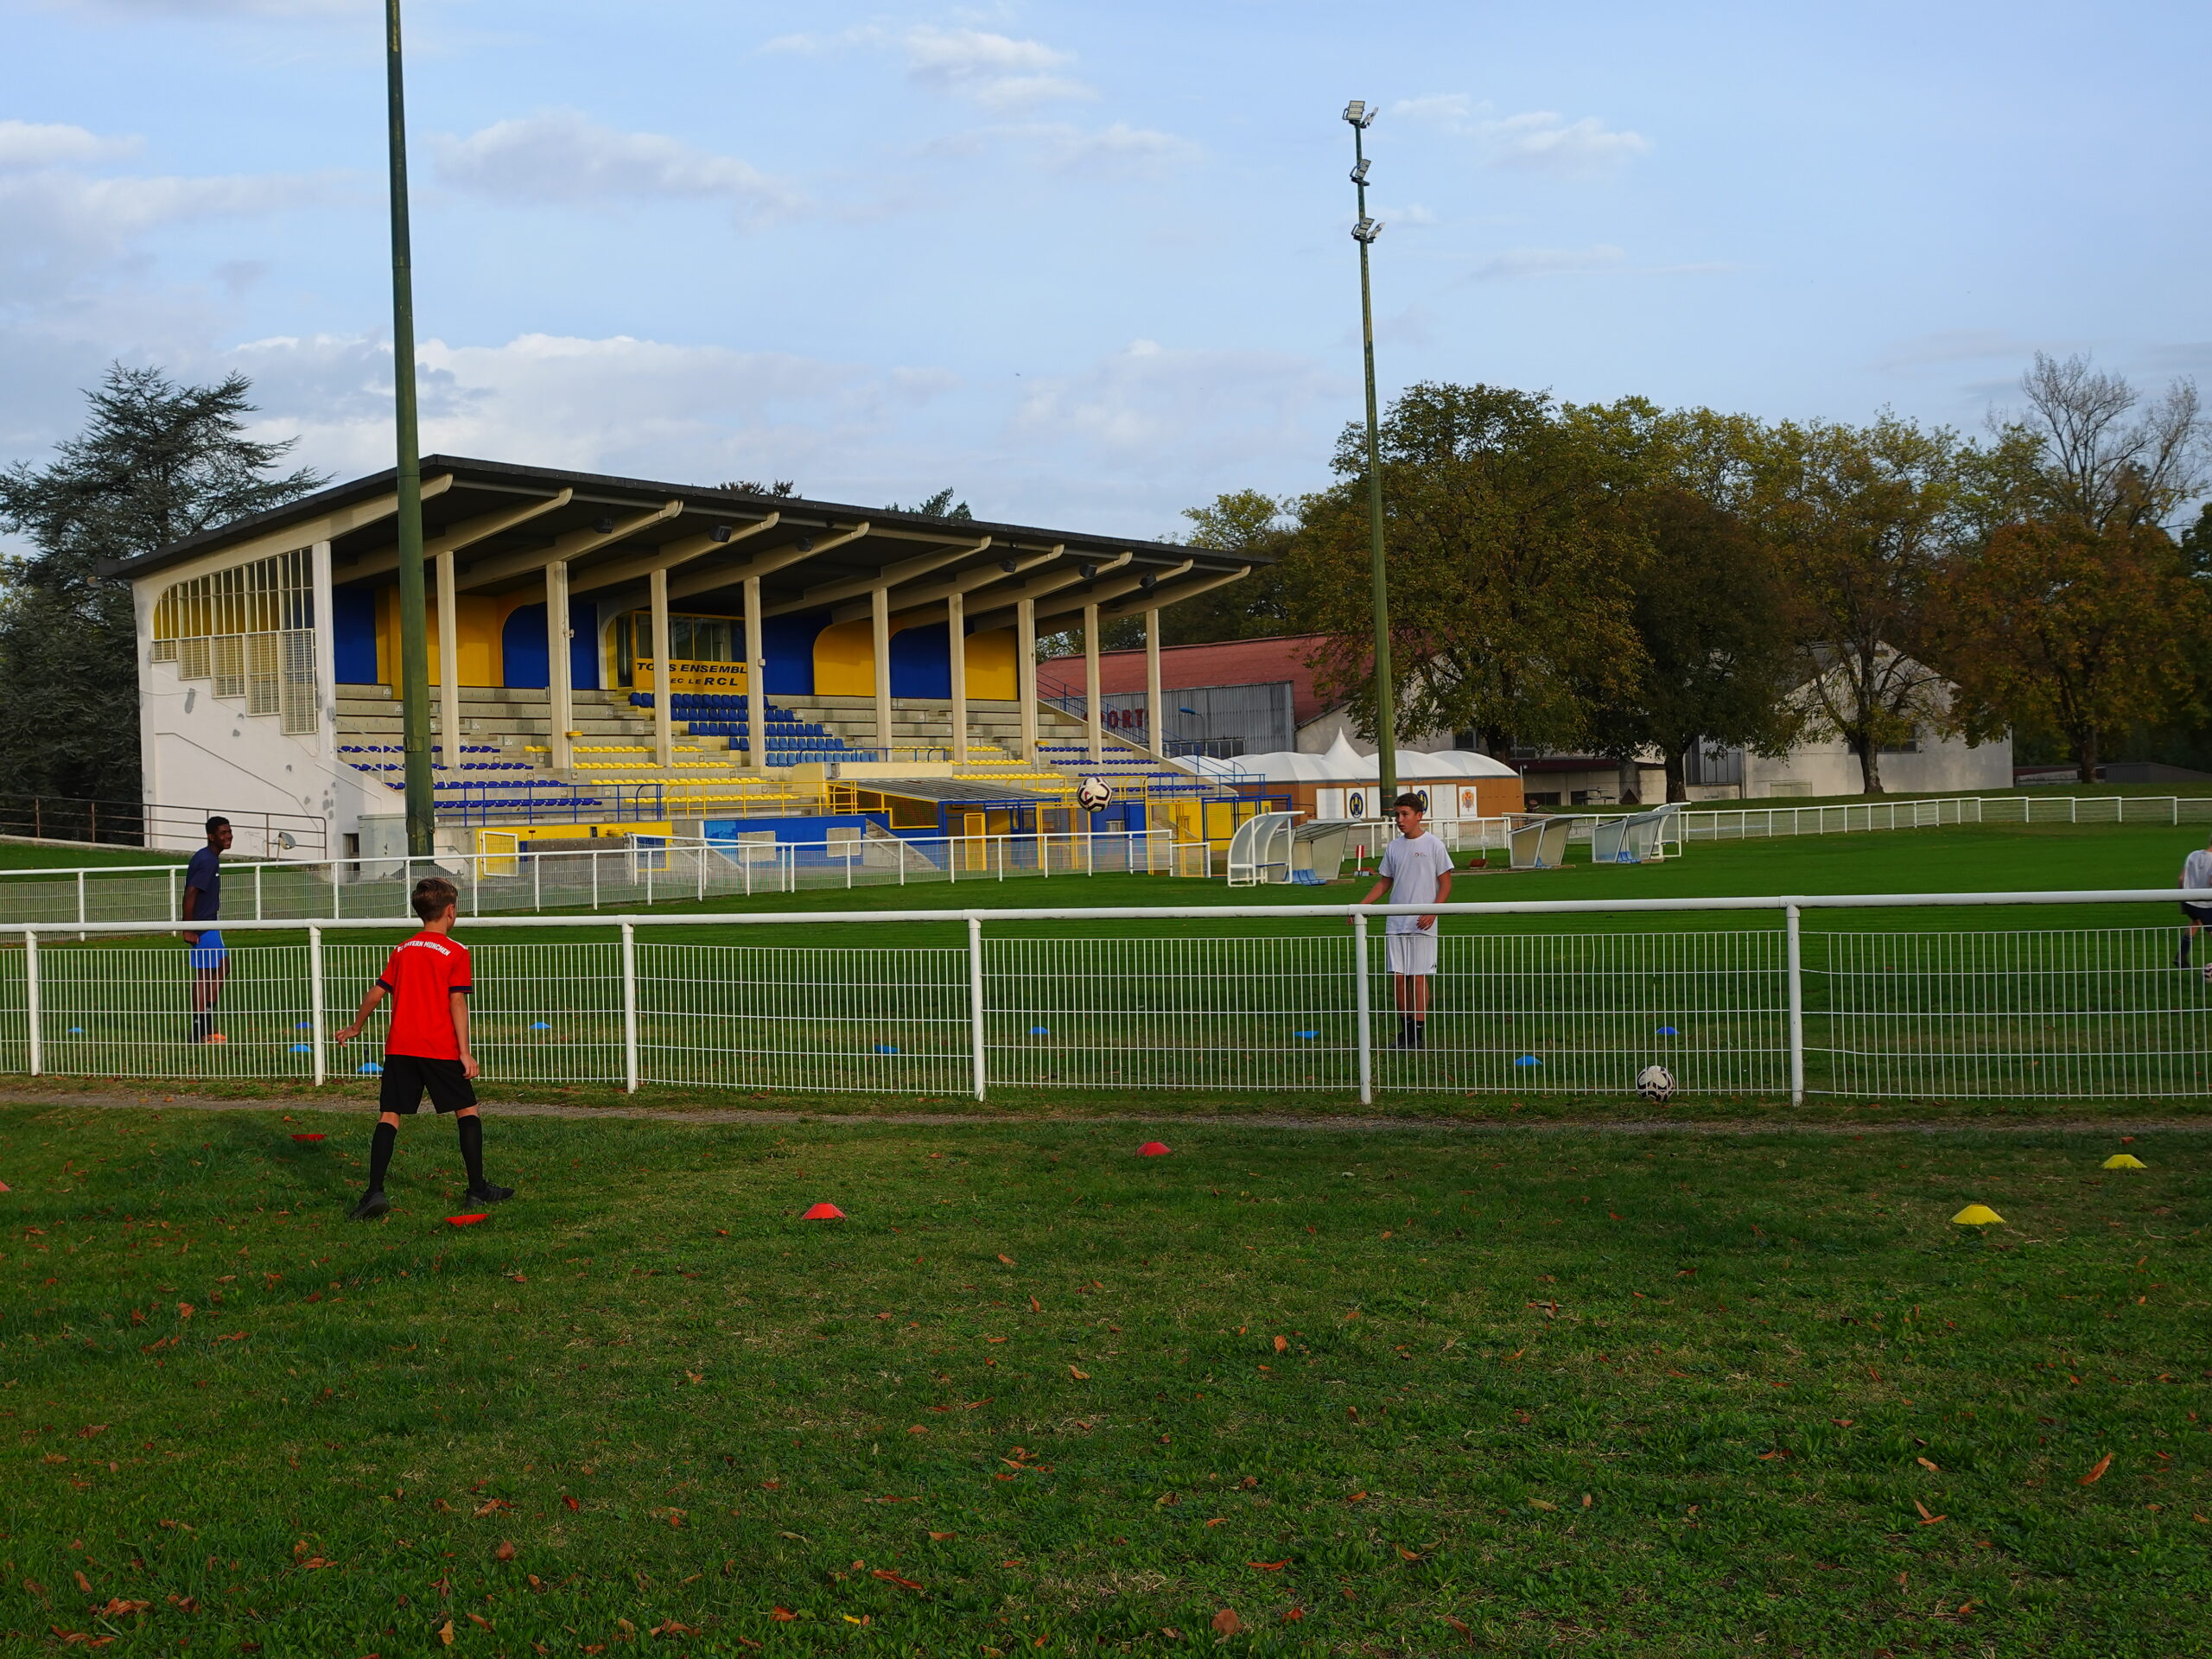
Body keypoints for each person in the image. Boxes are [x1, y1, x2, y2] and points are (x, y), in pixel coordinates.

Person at [333, 875, 512, 1220]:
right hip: (439, 1047)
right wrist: (464, 1051)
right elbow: (457, 1002)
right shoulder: (457, 952)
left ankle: (373, 1193)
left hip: (400, 1047)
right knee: (467, 1111)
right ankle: (477, 1190)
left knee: (389, 1115)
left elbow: (377, 991)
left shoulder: (402, 949)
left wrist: (356, 1026)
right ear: (450, 911)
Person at [1356, 792, 1456, 1048]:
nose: (1399, 820)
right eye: (1397, 815)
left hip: (1423, 923)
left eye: (1405, 814)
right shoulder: (1394, 847)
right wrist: (1361, 906)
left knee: (1419, 977)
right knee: (1399, 978)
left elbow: (1445, 884)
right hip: (1396, 923)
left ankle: (1418, 1035)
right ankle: (1406, 1033)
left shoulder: (1434, 845)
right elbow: (1384, 882)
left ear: (1418, 816)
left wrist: (1433, 912)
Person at [182, 817, 232, 1044]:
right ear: (211, 836)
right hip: (203, 925)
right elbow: (191, 891)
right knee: (207, 975)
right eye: (223, 833)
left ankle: (204, 1025)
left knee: (219, 968)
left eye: (229, 832)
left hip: (209, 923)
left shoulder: (208, 857)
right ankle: (202, 1030)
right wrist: (188, 926)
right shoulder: (207, 860)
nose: (228, 836)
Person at [2177, 833, 2212, 978]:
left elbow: (2181, 879)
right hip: (2204, 903)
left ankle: (2181, 956)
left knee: (2195, 923)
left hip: (2188, 900)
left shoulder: (2193, 855)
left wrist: (2181, 901)